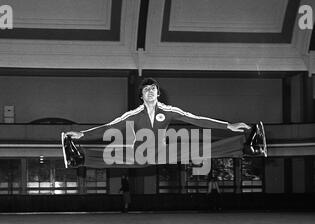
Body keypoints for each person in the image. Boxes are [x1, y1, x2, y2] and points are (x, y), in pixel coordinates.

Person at [61, 78, 267, 169]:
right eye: (146, 89)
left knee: (197, 148)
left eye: (153, 88)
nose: (150, 91)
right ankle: (77, 157)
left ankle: (247, 146)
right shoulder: (133, 114)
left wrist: (228, 125)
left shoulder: (169, 111)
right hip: (138, 153)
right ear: (141, 96)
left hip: (161, 152)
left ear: (158, 93)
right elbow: (109, 127)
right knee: (112, 153)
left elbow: (195, 119)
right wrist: (83, 134)